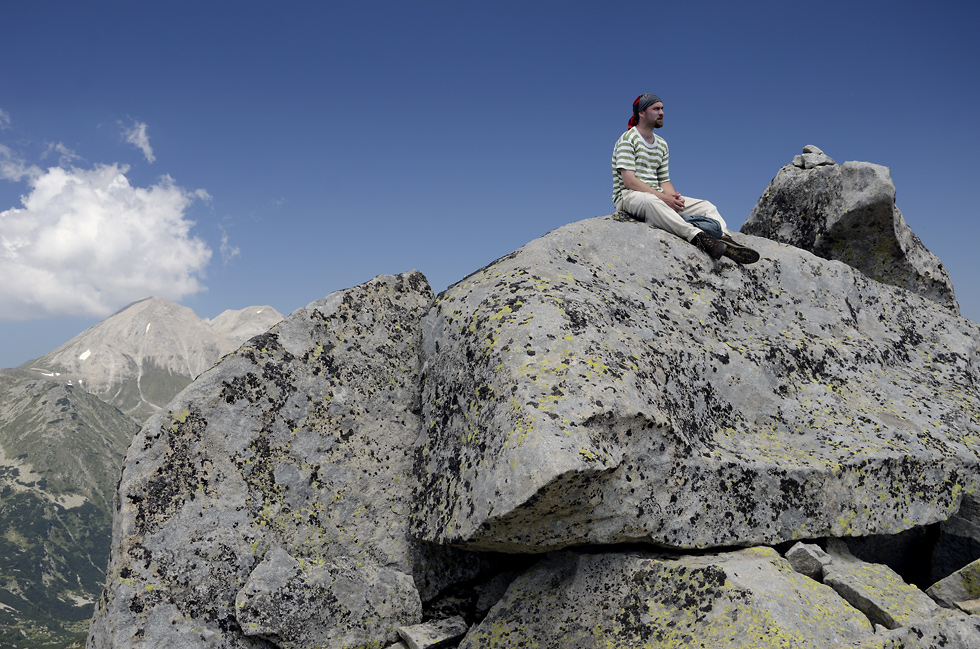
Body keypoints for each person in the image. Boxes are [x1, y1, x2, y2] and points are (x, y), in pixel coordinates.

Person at [612, 93, 759, 264]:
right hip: (629, 196)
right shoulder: (628, 139)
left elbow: (664, 181)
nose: (662, 113)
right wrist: (663, 198)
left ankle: (725, 239)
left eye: (662, 108)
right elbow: (629, 181)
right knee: (652, 202)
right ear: (641, 113)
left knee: (706, 206)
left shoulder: (661, 144)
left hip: (658, 195)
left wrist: (674, 200)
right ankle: (699, 237)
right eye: (656, 109)